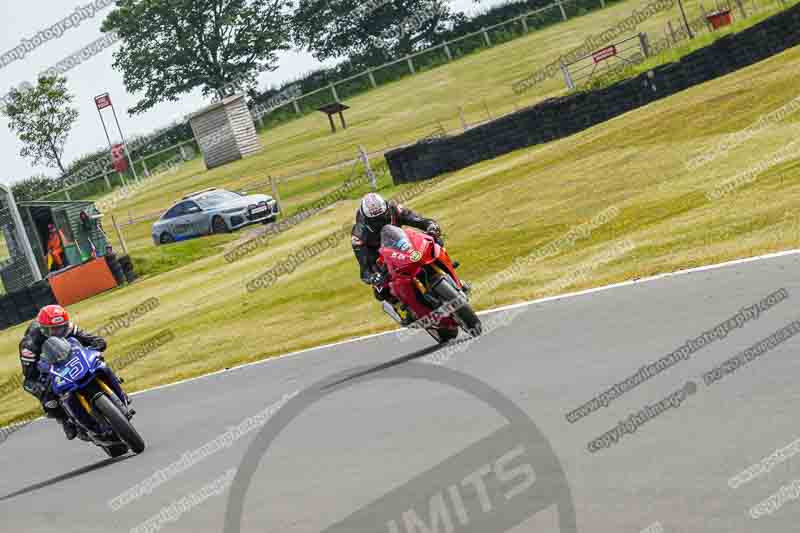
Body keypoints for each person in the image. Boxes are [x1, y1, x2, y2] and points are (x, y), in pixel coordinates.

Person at [18, 305, 107, 440]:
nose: (59, 331)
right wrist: (43, 380)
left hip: (70, 356)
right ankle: (64, 419)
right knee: (49, 400)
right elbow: (29, 376)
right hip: (47, 366)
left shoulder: (67, 327)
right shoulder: (29, 345)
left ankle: (113, 383)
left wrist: (97, 342)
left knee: (98, 361)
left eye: (62, 327)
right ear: (43, 329)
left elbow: (88, 338)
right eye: (54, 329)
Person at [351, 193, 442, 323]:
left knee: (434, 241)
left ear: (387, 209)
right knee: (380, 288)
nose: (381, 221)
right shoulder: (358, 234)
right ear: (367, 220)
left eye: (383, 217)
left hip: (402, 242)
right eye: (376, 220)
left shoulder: (395, 209)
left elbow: (418, 220)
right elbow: (364, 267)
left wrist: (430, 226)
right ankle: (402, 308)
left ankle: (446, 270)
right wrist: (372, 276)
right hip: (378, 255)